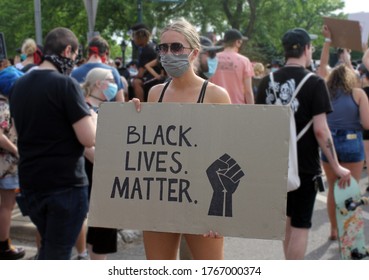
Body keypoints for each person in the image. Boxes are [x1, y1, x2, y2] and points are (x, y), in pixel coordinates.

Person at [256, 27, 351, 259]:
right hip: (304, 166)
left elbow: (257, 127)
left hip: (274, 165)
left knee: (286, 224)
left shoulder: (265, 81)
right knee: (300, 226)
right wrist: (336, 166)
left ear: (285, 50)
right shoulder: (314, 83)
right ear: (307, 49)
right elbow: (321, 130)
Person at [141, 18, 230, 260]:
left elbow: (229, 155)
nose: (168, 54)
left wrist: (220, 212)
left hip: (203, 203)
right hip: (160, 202)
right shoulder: (154, 94)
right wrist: (131, 118)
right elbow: (147, 151)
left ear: (194, 53)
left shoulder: (216, 95)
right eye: (163, 48)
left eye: (177, 47)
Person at [9, 27, 96, 260]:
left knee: (48, 247)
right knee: (57, 255)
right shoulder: (66, 86)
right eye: (76, 55)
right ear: (68, 50)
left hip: (31, 183)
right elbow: (89, 138)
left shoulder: (19, 86)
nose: (75, 61)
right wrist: (92, 117)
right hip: (65, 184)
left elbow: (17, 130)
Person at [321, 64, 369, 240]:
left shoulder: (324, 93)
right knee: (351, 190)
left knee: (333, 189)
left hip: (328, 143)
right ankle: (348, 232)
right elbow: (366, 123)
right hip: (351, 141)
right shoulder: (358, 94)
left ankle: (334, 230)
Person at [80, 67, 119, 260]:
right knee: (101, 235)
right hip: (97, 179)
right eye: (111, 80)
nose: (115, 84)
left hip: (104, 178)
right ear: (98, 83)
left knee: (100, 236)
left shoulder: (108, 108)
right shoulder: (85, 110)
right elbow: (87, 148)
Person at [0, 59, 25, 260]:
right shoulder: (4, 105)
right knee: (7, 205)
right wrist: (16, 149)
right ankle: (4, 245)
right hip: (6, 164)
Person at [71, 36, 125, 102]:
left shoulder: (74, 73)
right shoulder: (113, 72)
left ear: (89, 53)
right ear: (105, 53)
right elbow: (121, 102)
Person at [210, 28, 254, 104]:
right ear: (238, 42)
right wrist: (252, 112)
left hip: (215, 105)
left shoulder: (212, 59)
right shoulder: (244, 61)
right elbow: (248, 92)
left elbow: (208, 85)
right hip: (237, 107)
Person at [131, 27, 158, 101]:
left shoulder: (145, 51)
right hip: (158, 74)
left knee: (136, 82)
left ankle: (141, 104)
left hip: (154, 77)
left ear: (140, 38)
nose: (134, 40)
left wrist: (133, 77)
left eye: (135, 38)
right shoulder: (153, 45)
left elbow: (140, 74)